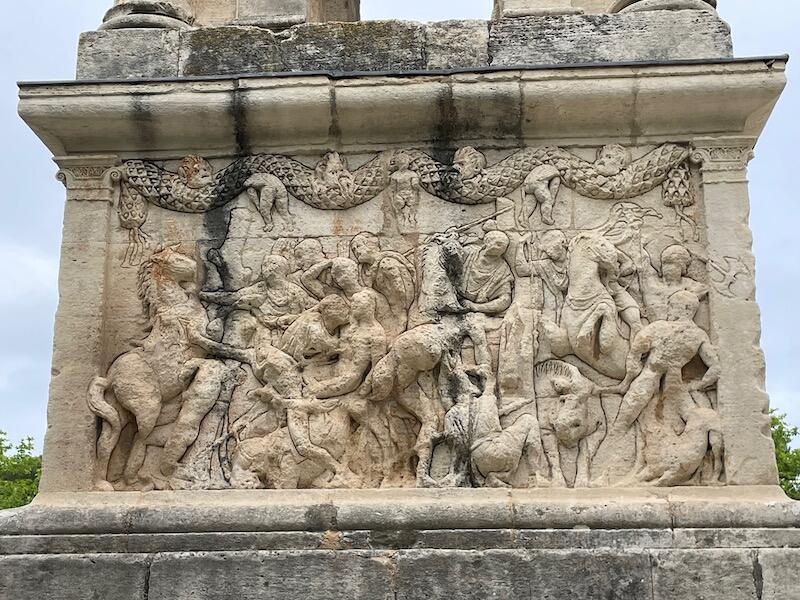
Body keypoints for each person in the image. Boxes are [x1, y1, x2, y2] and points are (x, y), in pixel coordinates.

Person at [608, 290, 720, 434]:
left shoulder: (659, 327)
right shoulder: (699, 335)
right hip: (675, 382)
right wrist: (698, 385)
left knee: (626, 416)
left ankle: (617, 437)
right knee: (691, 416)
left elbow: (636, 349)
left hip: (650, 375)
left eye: (672, 306)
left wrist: (629, 376)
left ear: (684, 309)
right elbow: (715, 368)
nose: (669, 310)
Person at [350, 232, 416, 332]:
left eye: (359, 246)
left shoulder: (387, 263)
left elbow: (405, 294)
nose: (357, 251)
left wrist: (401, 318)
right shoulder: (364, 271)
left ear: (371, 245)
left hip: (399, 315)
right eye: (354, 249)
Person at [458, 228, 514, 315]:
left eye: (504, 246)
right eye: (498, 243)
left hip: (479, 314)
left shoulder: (503, 269)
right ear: (487, 241)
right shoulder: (469, 253)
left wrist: (476, 307)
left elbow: (505, 300)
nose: (502, 247)